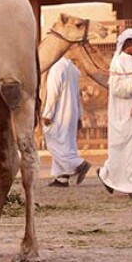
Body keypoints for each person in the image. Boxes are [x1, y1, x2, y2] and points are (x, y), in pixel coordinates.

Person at [97, 27, 132, 198]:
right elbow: (116, 88)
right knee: (128, 151)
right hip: (125, 115)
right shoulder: (118, 62)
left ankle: (128, 182)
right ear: (127, 43)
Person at [42, 56, 90, 187]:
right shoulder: (73, 68)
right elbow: (77, 95)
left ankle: (79, 164)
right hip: (72, 112)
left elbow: (53, 92)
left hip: (59, 113)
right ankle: (62, 178)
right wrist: (79, 116)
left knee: (53, 142)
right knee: (67, 144)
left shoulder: (57, 67)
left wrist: (48, 114)